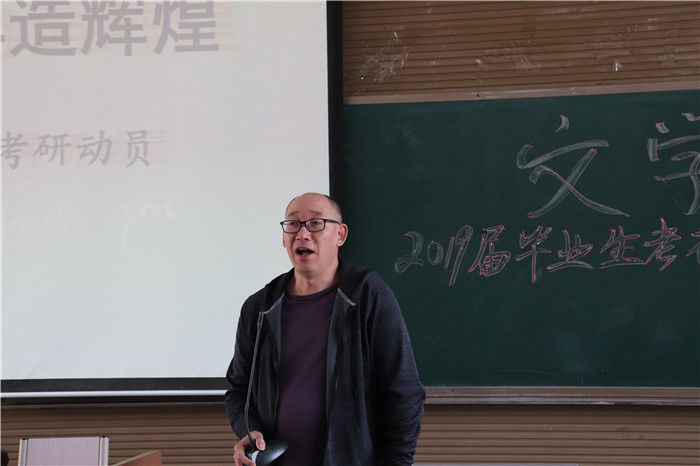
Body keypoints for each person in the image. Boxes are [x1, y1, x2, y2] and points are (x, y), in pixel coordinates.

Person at [225, 192, 425, 466]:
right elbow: (238, 390)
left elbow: (404, 391)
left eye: (316, 224)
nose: (302, 234)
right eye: (293, 224)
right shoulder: (260, 307)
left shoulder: (368, 296)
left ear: (340, 235)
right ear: (283, 237)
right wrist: (251, 430)